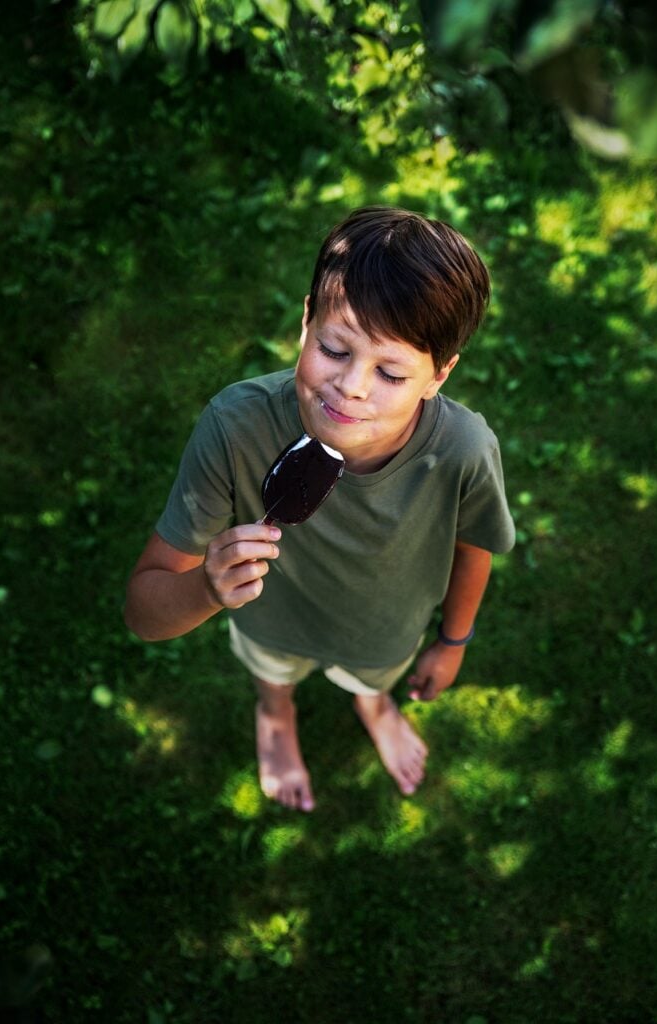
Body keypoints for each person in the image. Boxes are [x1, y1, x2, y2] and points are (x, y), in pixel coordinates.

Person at [124, 206, 515, 812]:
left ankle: (373, 702)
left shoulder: (462, 452)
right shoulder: (237, 427)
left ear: (438, 377)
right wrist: (206, 588)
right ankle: (275, 714)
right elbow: (144, 613)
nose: (351, 386)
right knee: (271, 672)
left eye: (389, 371)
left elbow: (475, 544)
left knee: (374, 677)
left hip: (385, 632)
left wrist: (453, 640)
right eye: (335, 348)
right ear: (306, 321)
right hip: (271, 623)